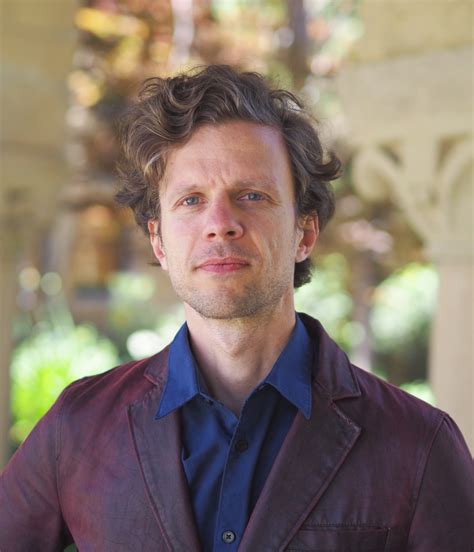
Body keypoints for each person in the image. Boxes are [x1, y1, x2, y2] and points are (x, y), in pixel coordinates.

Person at [0, 65, 472, 552]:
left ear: (305, 232)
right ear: (158, 241)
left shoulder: (419, 445)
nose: (220, 223)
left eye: (252, 195)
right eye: (191, 200)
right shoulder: (78, 427)